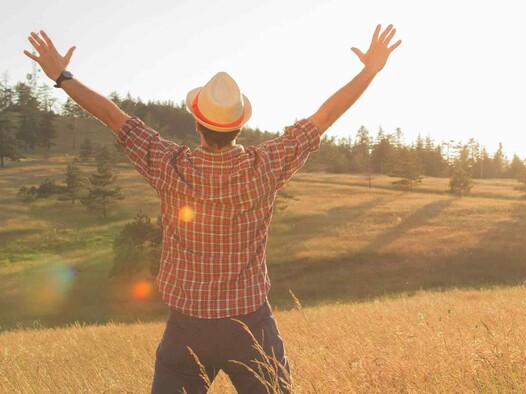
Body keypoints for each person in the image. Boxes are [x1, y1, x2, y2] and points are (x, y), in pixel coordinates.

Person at [24, 24, 400, 393]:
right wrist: (369, 70)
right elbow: (325, 116)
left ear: (198, 124)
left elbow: (112, 116)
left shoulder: (168, 165)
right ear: (238, 127)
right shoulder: (265, 165)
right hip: (251, 324)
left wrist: (63, 76)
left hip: (186, 328)